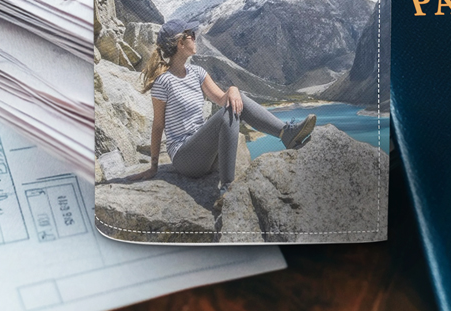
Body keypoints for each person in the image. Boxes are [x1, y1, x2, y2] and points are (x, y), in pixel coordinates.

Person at [128, 19, 316, 200]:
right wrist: (153, 167)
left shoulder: (197, 73)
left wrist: (233, 90)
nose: (195, 37)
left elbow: (221, 98)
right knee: (229, 113)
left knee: (236, 99)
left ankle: (286, 133)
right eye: (191, 34)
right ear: (180, 43)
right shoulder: (164, 82)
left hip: (205, 152)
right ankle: (227, 188)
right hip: (184, 156)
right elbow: (158, 125)